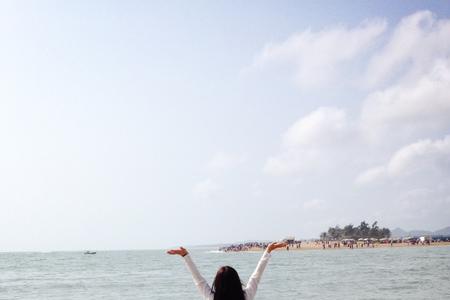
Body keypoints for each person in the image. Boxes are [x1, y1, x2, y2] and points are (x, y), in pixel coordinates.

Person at [167, 241, 287, 300]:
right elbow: (256, 276)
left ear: (217, 283)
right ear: (236, 281)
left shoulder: (212, 297)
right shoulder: (246, 296)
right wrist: (268, 251)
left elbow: (199, 280)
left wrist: (186, 256)